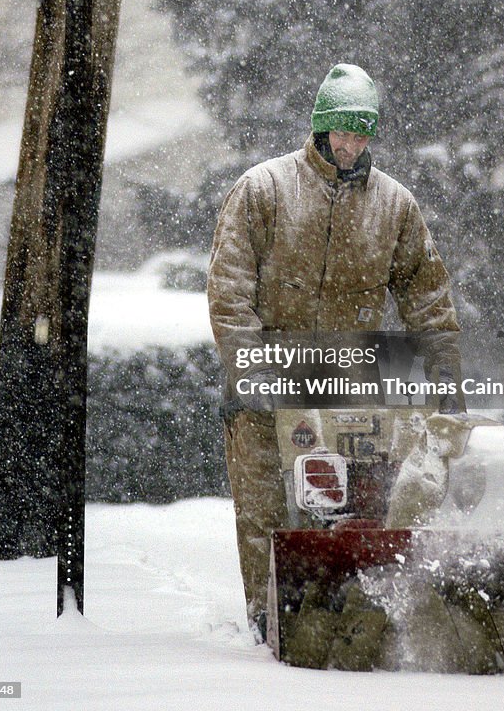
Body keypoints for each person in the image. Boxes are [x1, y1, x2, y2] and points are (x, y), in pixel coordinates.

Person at [207, 63, 463, 639]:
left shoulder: (394, 205)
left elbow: (427, 297)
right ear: (321, 130)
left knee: (367, 504)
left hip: (352, 383)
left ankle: (362, 613)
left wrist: (446, 382)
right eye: (342, 133)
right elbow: (229, 293)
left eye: (363, 134)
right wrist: (252, 371)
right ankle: (272, 623)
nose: (352, 146)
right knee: (267, 512)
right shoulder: (264, 188)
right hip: (267, 383)